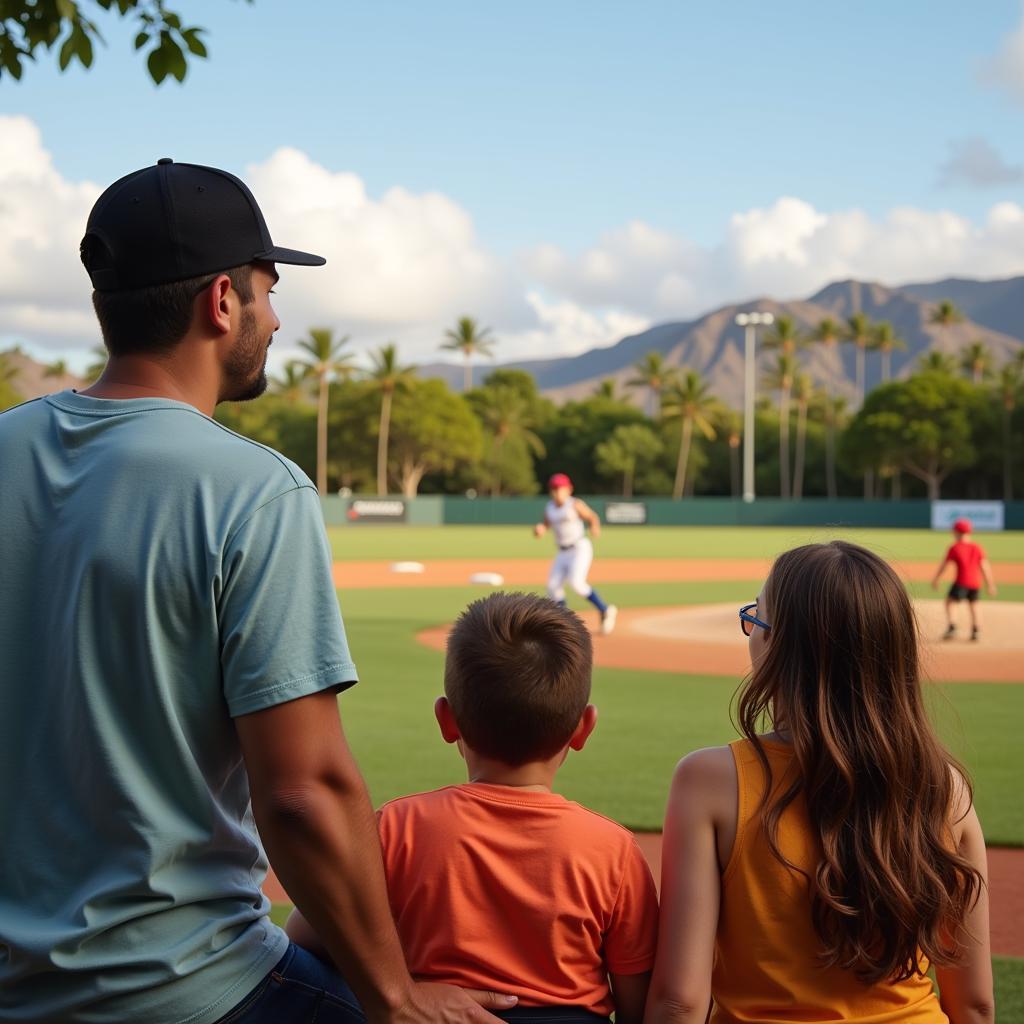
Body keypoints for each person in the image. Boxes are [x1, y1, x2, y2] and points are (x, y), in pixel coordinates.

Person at [0, 159, 516, 1024]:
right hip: (181, 985)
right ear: (221, 302)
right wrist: (393, 996)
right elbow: (302, 790)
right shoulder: (252, 489)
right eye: (269, 292)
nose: (276, 319)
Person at [645, 541, 993, 1024]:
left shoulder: (709, 781)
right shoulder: (945, 789)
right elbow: (974, 1004)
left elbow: (680, 1001)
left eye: (757, 620)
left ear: (778, 646)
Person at [287, 592, 659, 1023]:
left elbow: (302, 937)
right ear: (583, 728)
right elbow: (640, 1005)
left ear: (446, 721)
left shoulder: (396, 828)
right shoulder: (614, 850)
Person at [534, 473, 617, 634]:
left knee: (577, 583)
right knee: (552, 587)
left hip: (579, 548)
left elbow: (592, 516)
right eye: (554, 488)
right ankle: (565, 622)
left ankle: (605, 610)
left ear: (569, 489)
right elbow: (545, 525)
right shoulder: (549, 507)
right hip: (562, 551)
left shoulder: (574, 505)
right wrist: (539, 530)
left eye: (560, 488)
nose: (557, 492)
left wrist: (594, 526)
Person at [931, 517, 997, 642]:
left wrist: (936, 579)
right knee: (974, 605)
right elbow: (985, 567)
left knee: (950, 602)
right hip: (975, 583)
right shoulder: (977, 547)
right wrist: (990, 585)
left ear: (957, 532)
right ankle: (976, 630)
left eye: (954, 531)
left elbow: (944, 566)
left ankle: (952, 626)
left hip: (961, 582)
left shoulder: (955, 547)